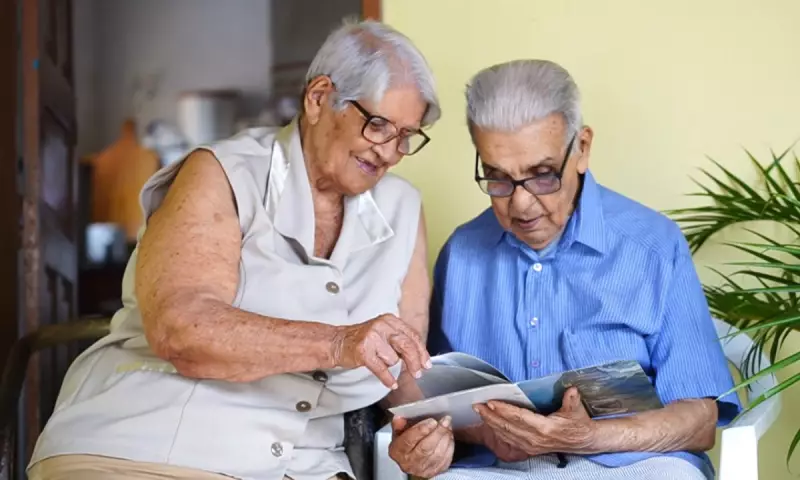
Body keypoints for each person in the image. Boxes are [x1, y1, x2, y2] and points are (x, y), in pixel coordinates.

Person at [28, 19, 439, 480]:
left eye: (407, 136)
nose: (390, 151)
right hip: (154, 446)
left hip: (306, 467)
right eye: (378, 125)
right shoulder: (222, 172)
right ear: (319, 98)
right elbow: (182, 330)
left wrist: (437, 433)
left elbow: (405, 368)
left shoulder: (402, 207)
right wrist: (341, 343)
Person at [387, 59, 741, 480]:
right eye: (497, 178)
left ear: (582, 149)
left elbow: (700, 421)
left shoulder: (653, 245)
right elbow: (434, 402)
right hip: (500, 471)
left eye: (541, 175)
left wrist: (587, 437)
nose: (520, 204)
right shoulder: (463, 252)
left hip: (635, 464)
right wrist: (454, 438)